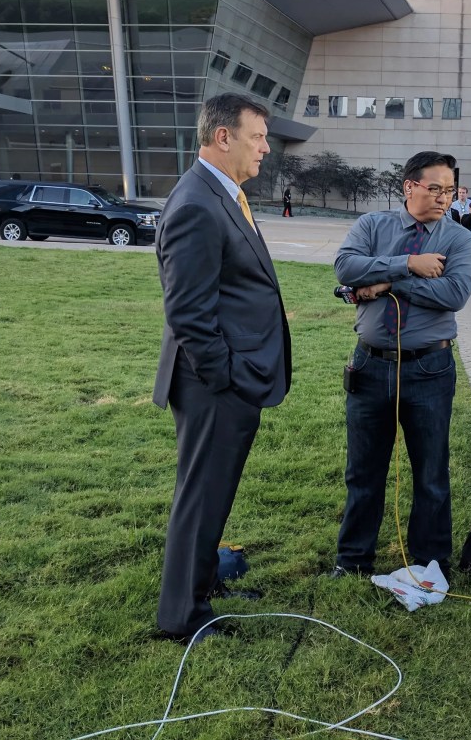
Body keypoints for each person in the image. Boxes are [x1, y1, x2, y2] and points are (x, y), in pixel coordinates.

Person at [152, 93, 292, 644]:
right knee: (202, 495)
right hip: (215, 382)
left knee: (214, 492)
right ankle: (182, 616)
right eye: (257, 136)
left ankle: (203, 581)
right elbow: (187, 310)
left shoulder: (222, 194)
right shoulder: (196, 203)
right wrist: (224, 376)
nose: (265, 147)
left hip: (230, 377)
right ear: (222, 137)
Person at [332, 151, 471, 577]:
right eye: (435, 189)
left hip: (429, 369)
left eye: (449, 191)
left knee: (431, 472)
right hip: (370, 365)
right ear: (409, 186)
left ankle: (430, 562)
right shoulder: (373, 225)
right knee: (363, 471)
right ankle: (353, 559)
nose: (443, 199)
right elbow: (345, 266)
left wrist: (388, 282)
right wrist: (408, 264)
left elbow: (455, 294)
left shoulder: (458, 240)